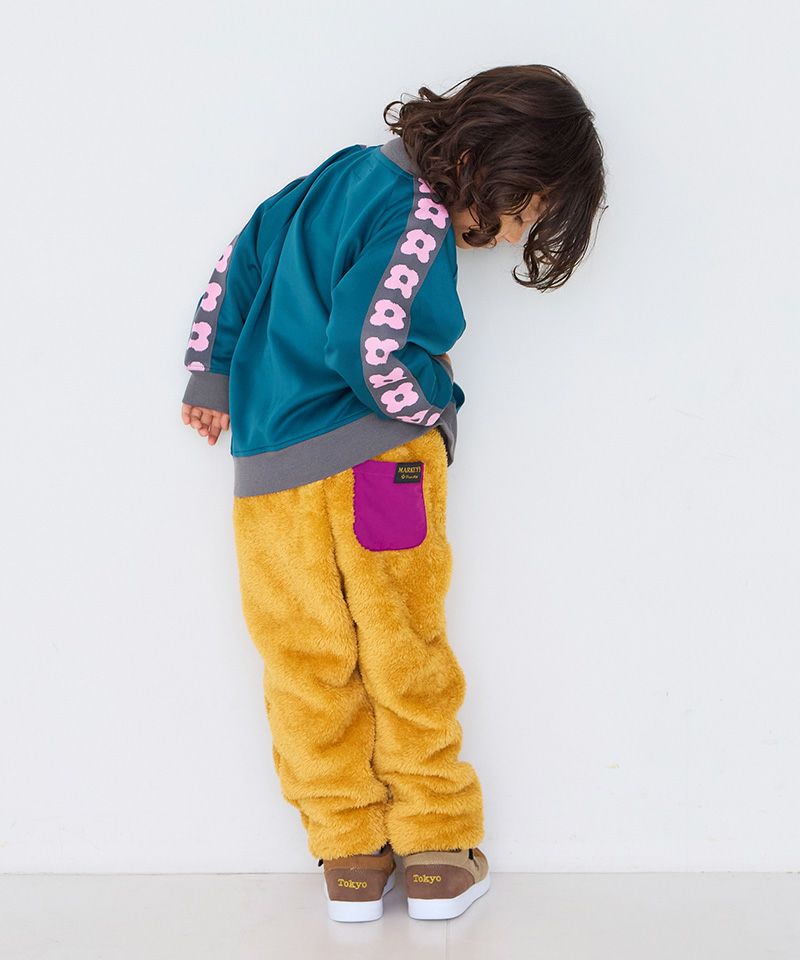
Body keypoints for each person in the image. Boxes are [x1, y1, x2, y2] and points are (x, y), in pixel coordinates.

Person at [179, 63, 606, 923]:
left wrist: (211, 375)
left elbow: (240, 260)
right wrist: (437, 406)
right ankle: (439, 850)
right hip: (380, 465)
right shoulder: (417, 215)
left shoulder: (335, 176)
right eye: (521, 215)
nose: (508, 237)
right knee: (402, 648)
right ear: (491, 164)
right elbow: (368, 349)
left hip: (270, 479)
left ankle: (350, 858)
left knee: (305, 664)